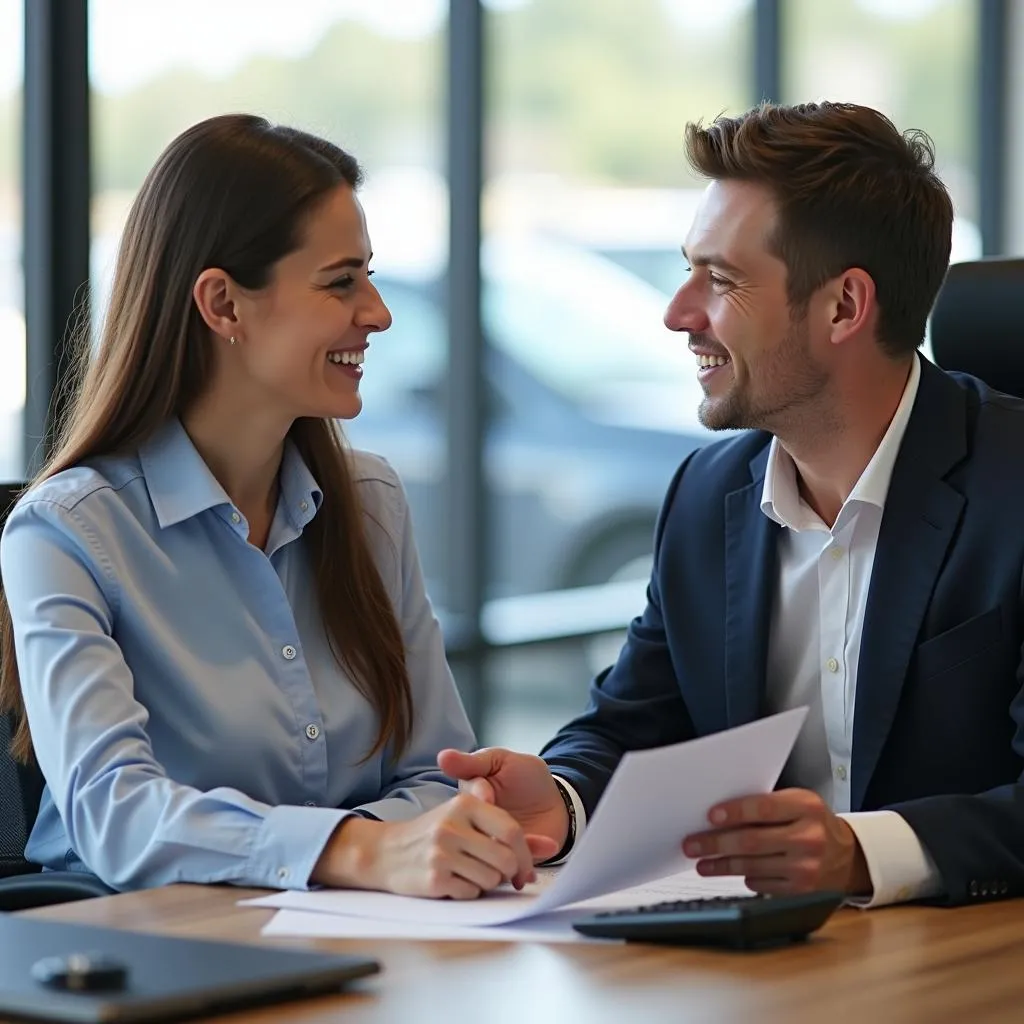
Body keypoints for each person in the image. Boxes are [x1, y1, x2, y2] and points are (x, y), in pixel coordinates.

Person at [440, 101, 1024, 908]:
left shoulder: (1012, 488)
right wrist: (561, 801)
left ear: (844, 307)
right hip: (767, 968)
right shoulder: (708, 493)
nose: (678, 313)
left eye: (721, 279)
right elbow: (632, 727)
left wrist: (861, 852)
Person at [0, 114, 555, 897]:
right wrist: (361, 851)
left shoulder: (369, 505)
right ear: (224, 304)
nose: (378, 312)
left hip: (359, 947)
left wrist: (414, 842)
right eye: (341, 282)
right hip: (146, 957)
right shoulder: (67, 532)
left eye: (369, 275)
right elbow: (114, 814)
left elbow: (438, 773)